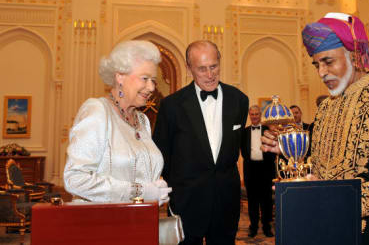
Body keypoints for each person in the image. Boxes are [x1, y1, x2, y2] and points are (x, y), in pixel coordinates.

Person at [262, 12, 369, 244]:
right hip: (328, 227)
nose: (321, 73)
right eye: (317, 64)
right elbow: (316, 165)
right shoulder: (325, 108)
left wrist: (327, 194)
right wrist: (289, 151)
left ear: (355, 55)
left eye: (328, 62)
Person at [153, 40, 249, 245]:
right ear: (189, 69)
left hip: (226, 202)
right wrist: (178, 190)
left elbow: (234, 148)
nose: (210, 74)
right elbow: (162, 155)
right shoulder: (171, 106)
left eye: (213, 67)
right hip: (187, 202)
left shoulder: (239, 100)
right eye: (202, 69)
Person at [64, 40, 171, 205]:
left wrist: (156, 189)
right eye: (145, 78)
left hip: (139, 221)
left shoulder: (142, 120)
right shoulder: (98, 111)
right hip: (103, 223)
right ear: (120, 76)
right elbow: (75, 178)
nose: (151, 88)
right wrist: (141, 191)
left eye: (153, 81)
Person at [240, 105, 275, 238]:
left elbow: (273, 150)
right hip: (251, 170)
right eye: (252, 114)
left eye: (256, 114)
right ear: (250, 115)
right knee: (253, 201)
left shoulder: (268, 130)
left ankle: (267, 227)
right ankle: (253, 227)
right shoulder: (244, 132)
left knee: (266, 201)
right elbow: (243, 151)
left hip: (266, 170)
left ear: (260, 115)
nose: (254, 116)